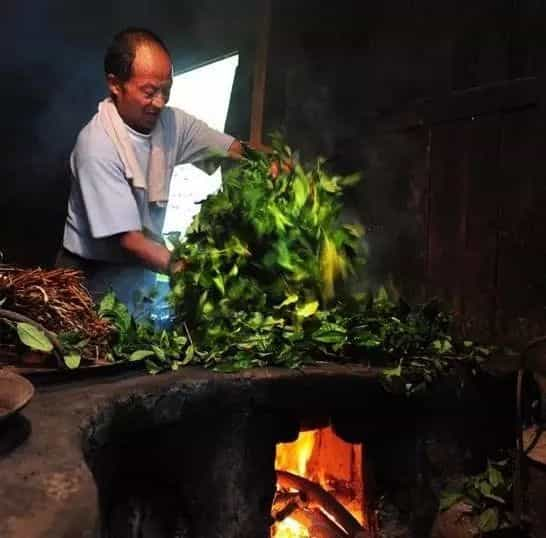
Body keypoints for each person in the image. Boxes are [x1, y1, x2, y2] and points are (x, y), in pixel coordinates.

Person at [56, 28, 244, 307]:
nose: (159, 102)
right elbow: (129, 240)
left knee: (140, 337)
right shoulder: (96, 145)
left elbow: (233, 150)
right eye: (149, 92)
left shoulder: (173, 124)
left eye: (166, 90)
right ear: (115, 85)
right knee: (84, 346)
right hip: (88, 273)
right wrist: (192, 271)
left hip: (139, 269)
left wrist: (271, 160)